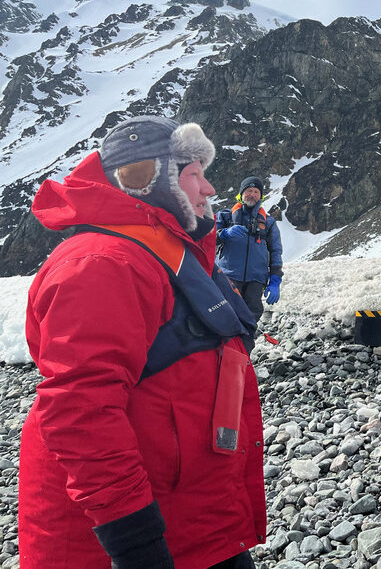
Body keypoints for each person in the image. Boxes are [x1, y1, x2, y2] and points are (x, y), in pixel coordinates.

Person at [19, 116, 265, 569]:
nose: (208, 189)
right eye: (192, 174)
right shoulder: (103, 264)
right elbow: (81, 412)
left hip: (191, 519)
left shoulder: (159, 250)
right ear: (148, 180)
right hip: (127, 539)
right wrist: (136, 543)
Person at [216, 176, 283, 321]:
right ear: (241, 194)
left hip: (256, 280)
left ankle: (244, 343)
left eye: (256, 192)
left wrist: (275, 279)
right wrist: (224, 233)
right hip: (228, 276)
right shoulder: (225, 216)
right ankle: (223, 344)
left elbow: (275, 251)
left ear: (261, 196)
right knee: (225, 316)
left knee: (250, 319)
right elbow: (206, 239)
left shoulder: (269, 222)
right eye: (248, 190)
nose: (252, 194)